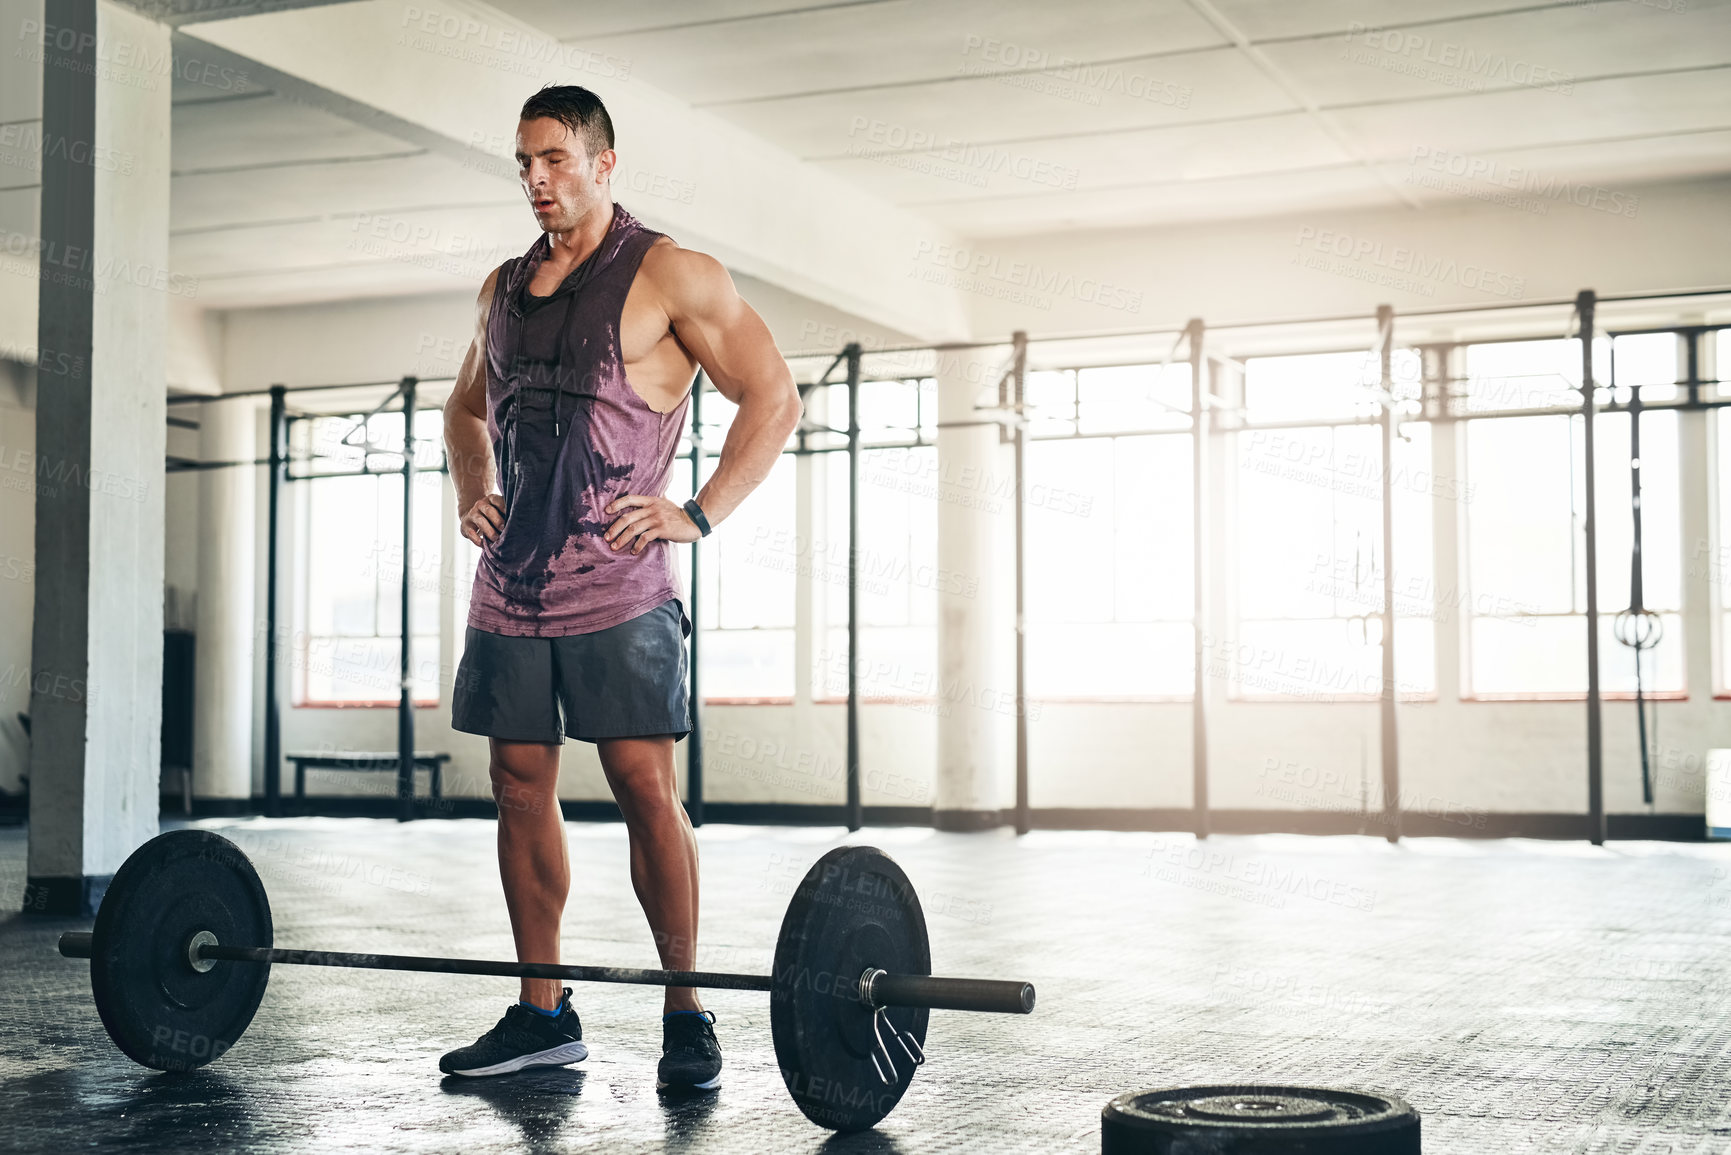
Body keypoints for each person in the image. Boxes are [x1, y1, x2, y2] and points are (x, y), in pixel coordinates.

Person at [437, 83, 800, 1090]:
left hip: (619, 587)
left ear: (603, 163)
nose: (535, 179)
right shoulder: (500, 288)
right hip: (512, 590)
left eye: (553, 159)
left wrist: (699, 512)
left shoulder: (672, 275)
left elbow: (772, 395)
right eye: (522, 162)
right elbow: (466, 409)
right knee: (519, 790)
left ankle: (687, 1011)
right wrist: (477, 489)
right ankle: (542, 1011)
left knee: (645, 788)